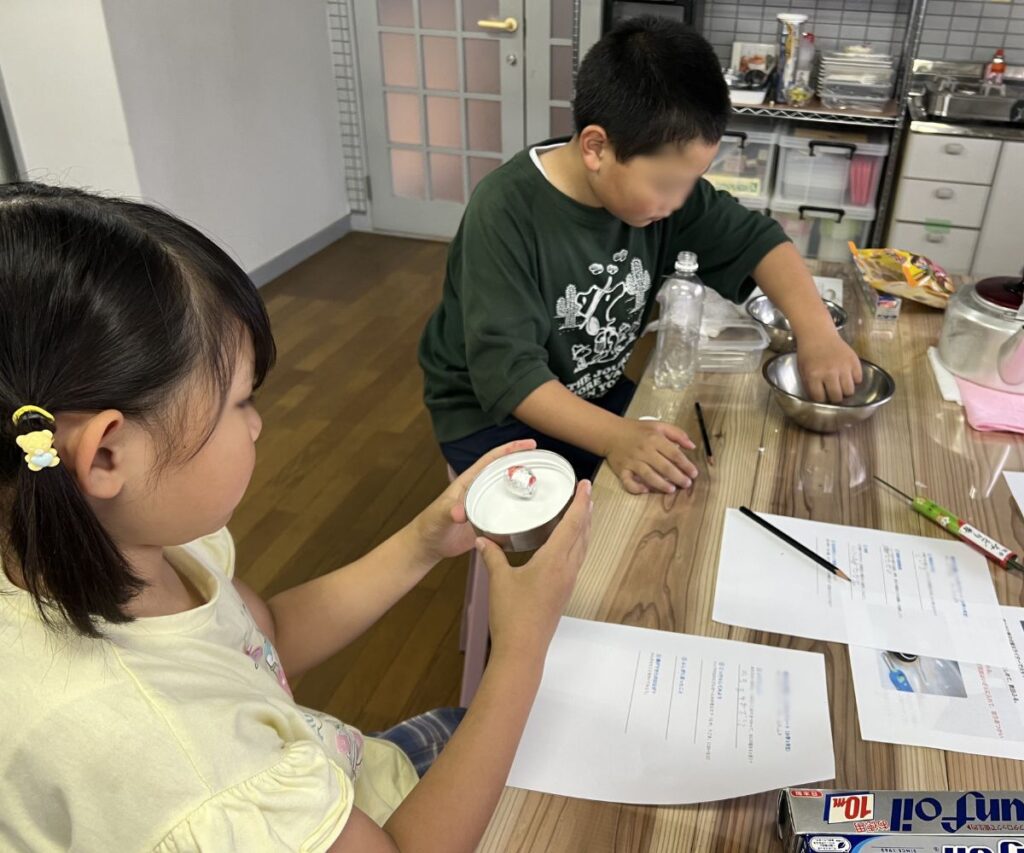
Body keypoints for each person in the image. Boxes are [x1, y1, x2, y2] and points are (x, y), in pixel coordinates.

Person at [0, 182, 591, 852]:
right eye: (240, 402)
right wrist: (520, 649)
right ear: (107, 454)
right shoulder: (188, 766)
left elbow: (266, 636)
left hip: (344, 775)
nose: (256, 425)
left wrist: (424, 542)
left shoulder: (109, 539)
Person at [419, 16, 861, 495]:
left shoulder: (659, 193)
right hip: (493, 416)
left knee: (684, 478)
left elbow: (758, 241)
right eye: (667, 185)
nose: (679, 201)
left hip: (592, 393)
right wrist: (616, 437)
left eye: (691, 182)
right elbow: (510, 375)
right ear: (596, 148)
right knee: (589, 519)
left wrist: (818, 333)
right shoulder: (506, 211)